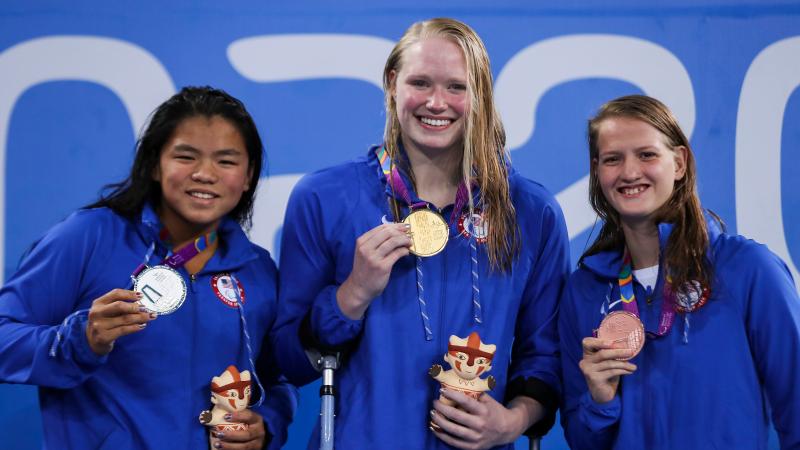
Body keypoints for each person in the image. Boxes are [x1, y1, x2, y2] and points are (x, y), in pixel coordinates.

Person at [273, 18, 569, 449]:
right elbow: (288, 361)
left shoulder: (531, 210)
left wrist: (511, 422)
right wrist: (352, 294)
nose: (436, 102)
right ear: (392, 83)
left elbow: (545, 357)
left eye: (456, 87)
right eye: (420, 82)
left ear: (480, 95)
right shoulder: (323, 197)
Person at [0, 86, 299, 449]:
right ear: (155, 164)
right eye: (186, 157)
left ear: (249, 176)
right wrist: (80, 339)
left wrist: (266, 425)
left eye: (226, 161)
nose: (205, 174)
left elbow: (276, 378)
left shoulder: (257, 270)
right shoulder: (89, 237)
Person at [559, 94, 800, 449]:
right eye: (613, 159)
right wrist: (600, 402)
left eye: (647, 154)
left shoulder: (748, 270)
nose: (629, 172)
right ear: (597, 173)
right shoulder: (586, 290)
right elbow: (581, 440)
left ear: (680, 162)